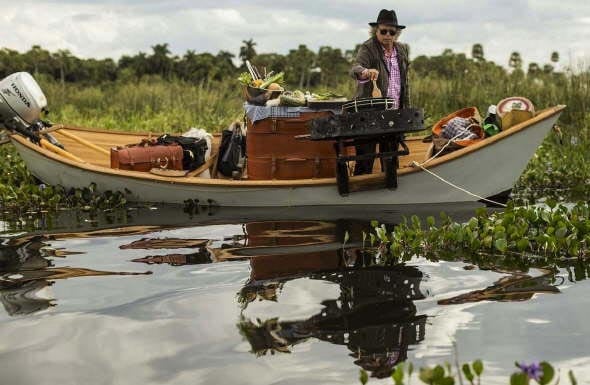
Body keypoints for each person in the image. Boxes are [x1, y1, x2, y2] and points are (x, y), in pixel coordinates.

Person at [350, 9, 411, 175]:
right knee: (365, 159)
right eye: (383, 31)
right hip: (369, 114)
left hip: (394, 113)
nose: (387, 35)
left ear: (396, 34)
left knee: (391, 160)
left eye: (392, 32)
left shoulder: (402, 50)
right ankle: (360, 193)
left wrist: (405, 111)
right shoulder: (368, 47)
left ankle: (390, 194)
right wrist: (365, 71)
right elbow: (355, 68)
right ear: (376, 30)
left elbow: (405, 83)